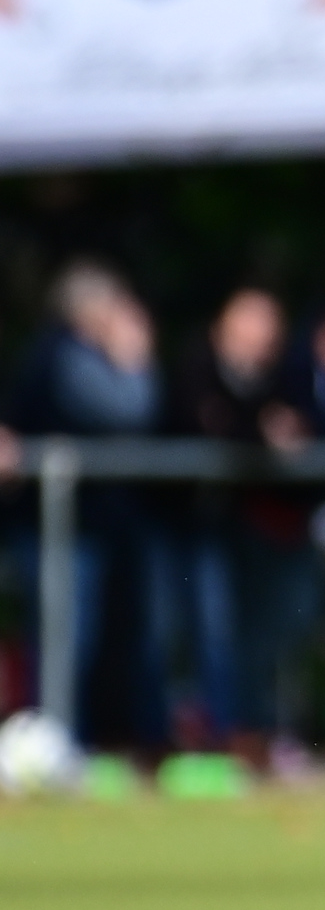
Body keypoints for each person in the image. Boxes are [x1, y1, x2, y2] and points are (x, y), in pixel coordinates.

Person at [8, 262, 168, 755]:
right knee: (65, 643)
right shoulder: (66, 356)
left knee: (93, 642)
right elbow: (128, 414)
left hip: (95, 528)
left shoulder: (62, 354)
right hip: (61, 530)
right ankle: (56, 746)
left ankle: (82, 740)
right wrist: (134, 359)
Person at [164, 286, 316, 760]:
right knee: (203, 632)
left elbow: (305, 424)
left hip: (255, 529)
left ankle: (252, 733)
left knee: (264, 633)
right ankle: (210, 734)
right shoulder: (195, 367)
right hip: (189, 525)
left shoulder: (285, 374)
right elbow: (214, 427)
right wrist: (262, 433)